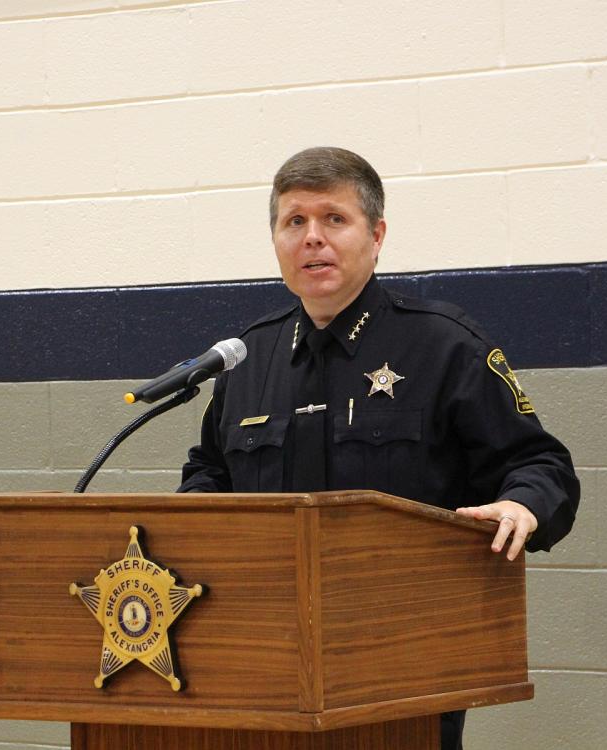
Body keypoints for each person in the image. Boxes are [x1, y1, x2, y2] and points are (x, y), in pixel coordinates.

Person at [178, 146, 580, 750]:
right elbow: (209, 471)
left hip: (402, 657)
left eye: (334, 219)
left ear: (377, 235)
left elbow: (541, 465)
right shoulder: (247, 358)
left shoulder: (443, 346)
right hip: (261, 657)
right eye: (295, 222)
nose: (312, 238)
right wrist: (188, 520)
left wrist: (524, 505)